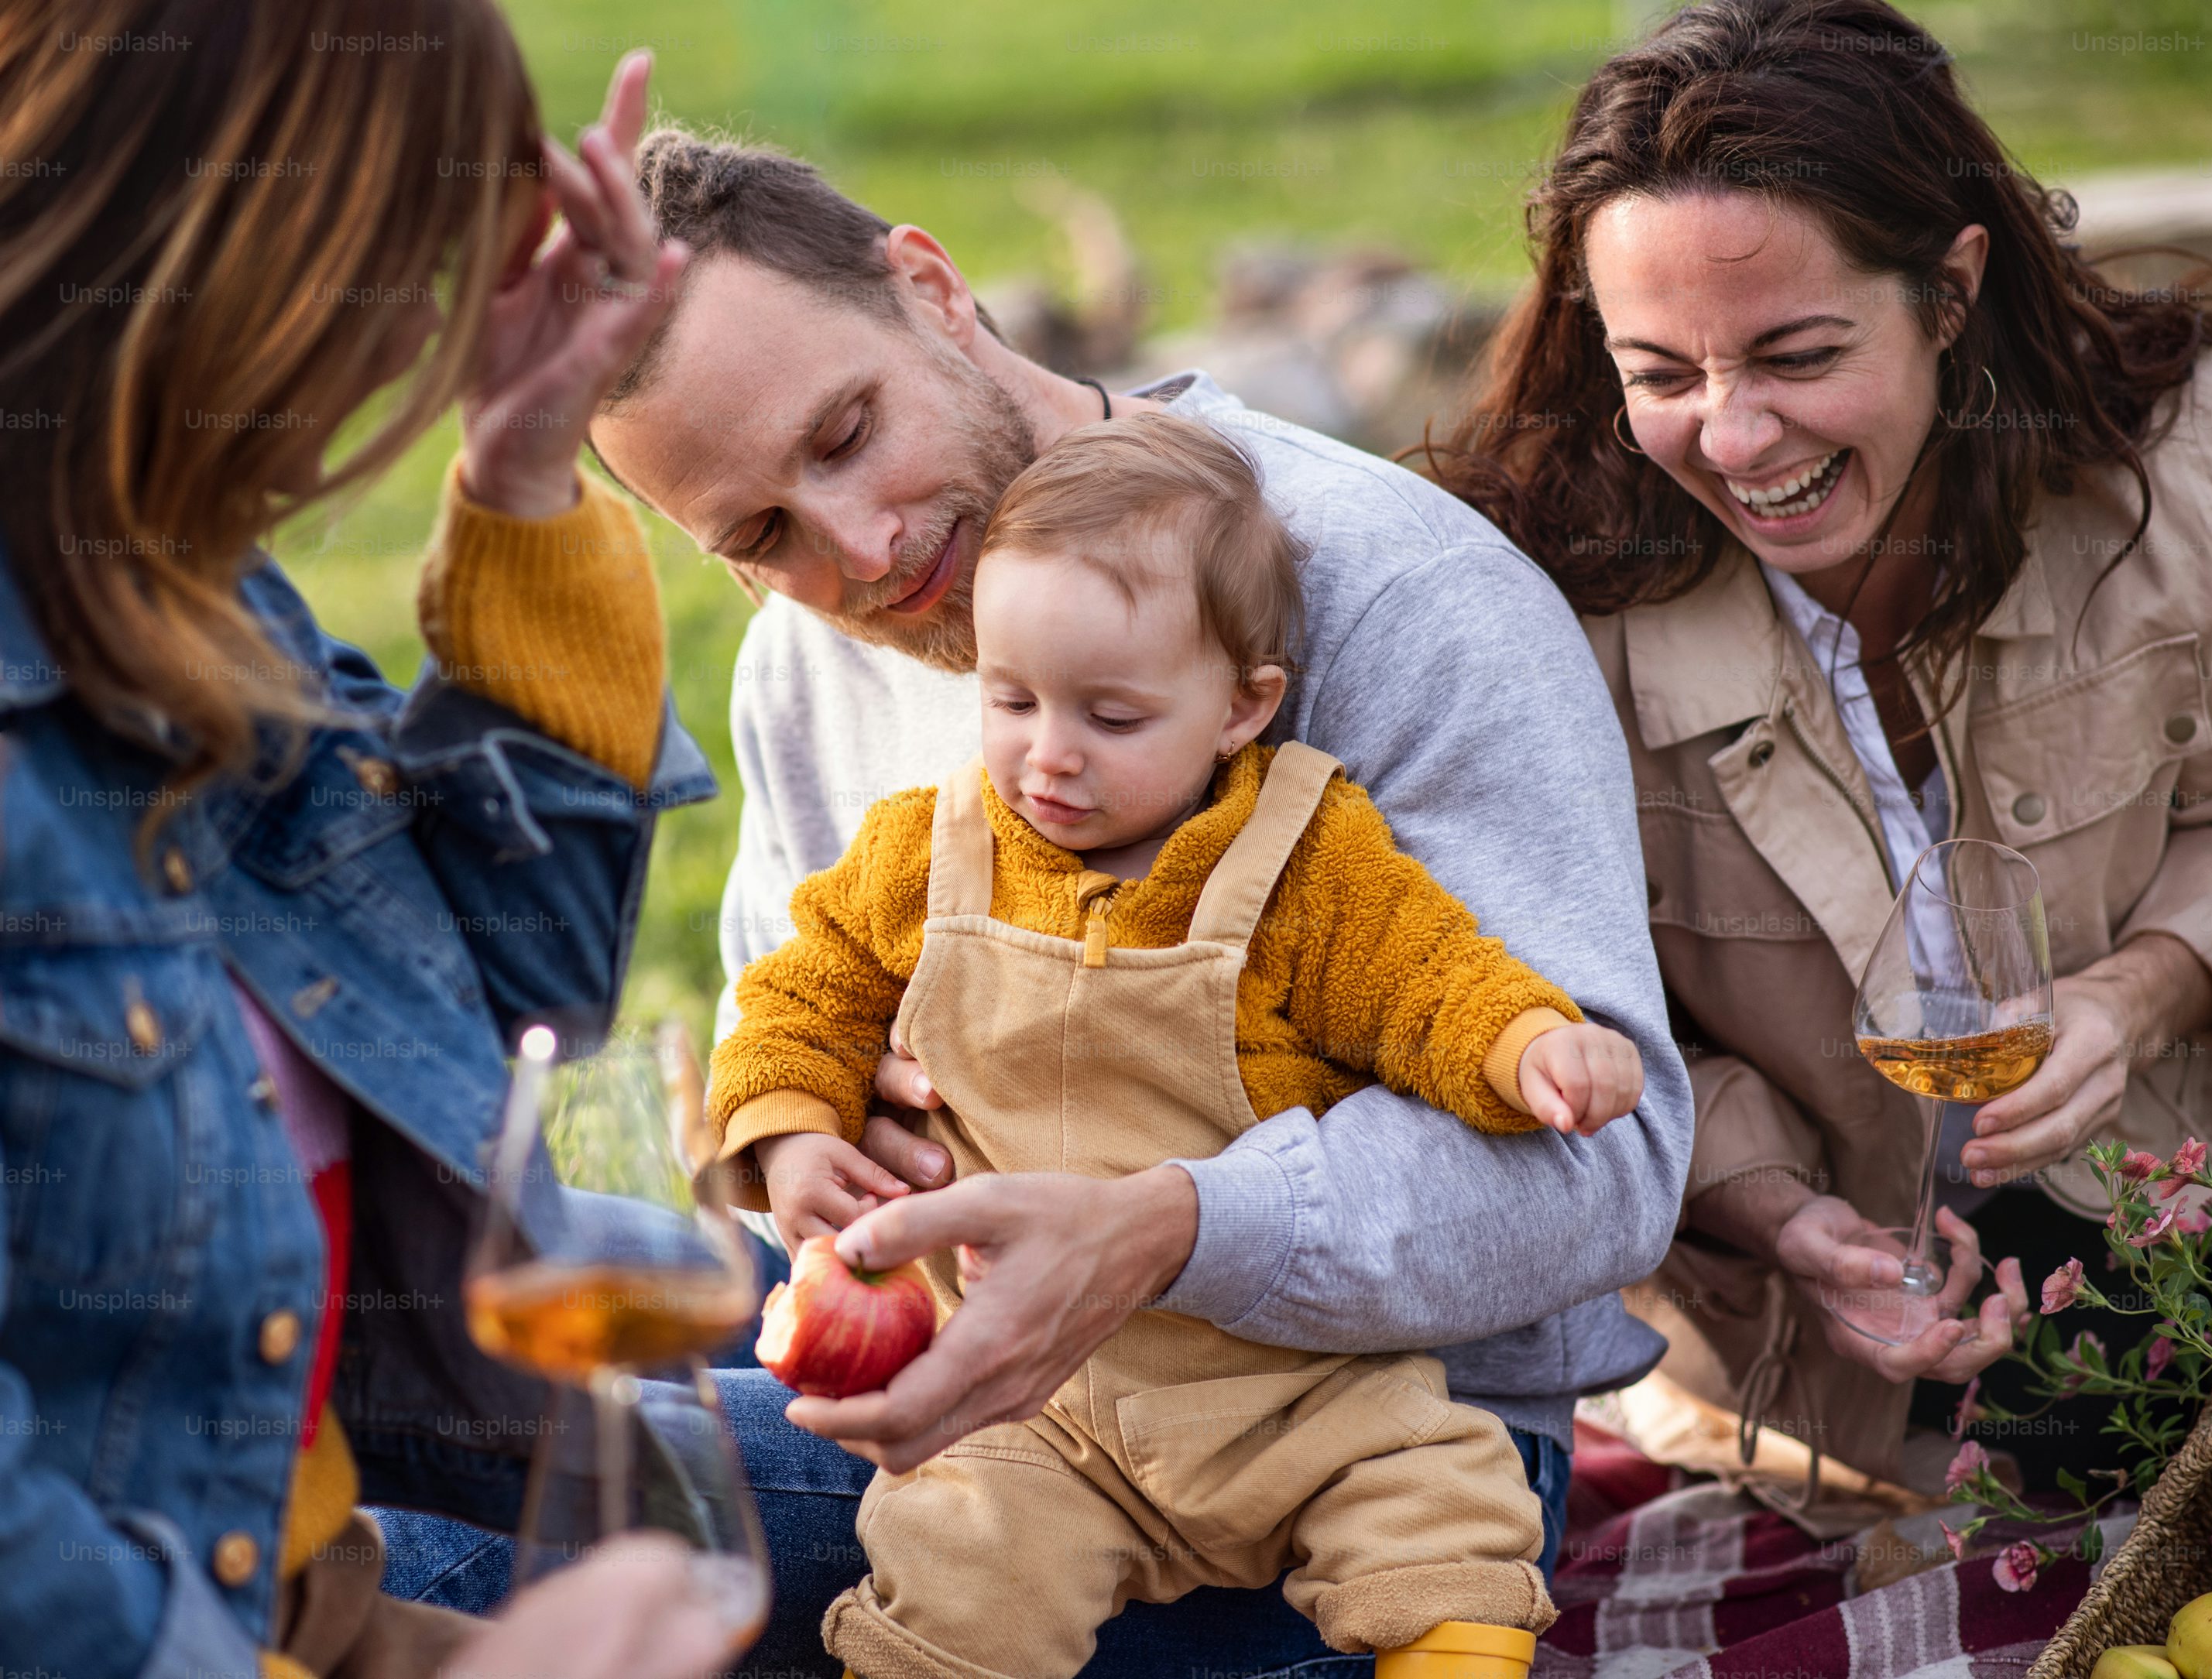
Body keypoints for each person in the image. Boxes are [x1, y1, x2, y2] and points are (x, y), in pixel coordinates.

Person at [412, 115, 1695, 1674]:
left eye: (844, 434)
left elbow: (1608, 1164)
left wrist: (1163, 1226)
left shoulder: (1383, 591)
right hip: (990, 1407)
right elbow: (788, 1011)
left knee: (445, 1534)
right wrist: (817, 1145)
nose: (865, 549)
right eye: (759, 535)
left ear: (932, 290)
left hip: (1358, 1457)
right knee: (410, 1359)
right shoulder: (803, 662)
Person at [1425, 0, 2212, 1498]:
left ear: (1953, 290)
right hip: (1816, 1351)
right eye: (1660, 374)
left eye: (1798, 353)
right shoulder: (1536, 598)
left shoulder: (2189, 468)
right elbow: (1531, 1015)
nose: (1734, 438)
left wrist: (2137, 996)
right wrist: (1778, 1211)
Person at [0, 5, 730, 1675]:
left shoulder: (179, 586)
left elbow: (511, 1020)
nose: (399, 361)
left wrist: (527, 472)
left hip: (309, 1590)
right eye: (392, 280)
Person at [712, 413, 1646, 1675]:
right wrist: (788, 1130)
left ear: (1241, 705)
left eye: (1111, 714)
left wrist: (1531, 1044)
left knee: (1438, 1495)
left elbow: (1424, 983)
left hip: (1291, 1382)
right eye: (1011, 697)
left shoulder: (1303, 863)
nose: (1049, 754)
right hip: (1023, 1399)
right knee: (956, 1561)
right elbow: (799, 996)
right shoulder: (922, 856)